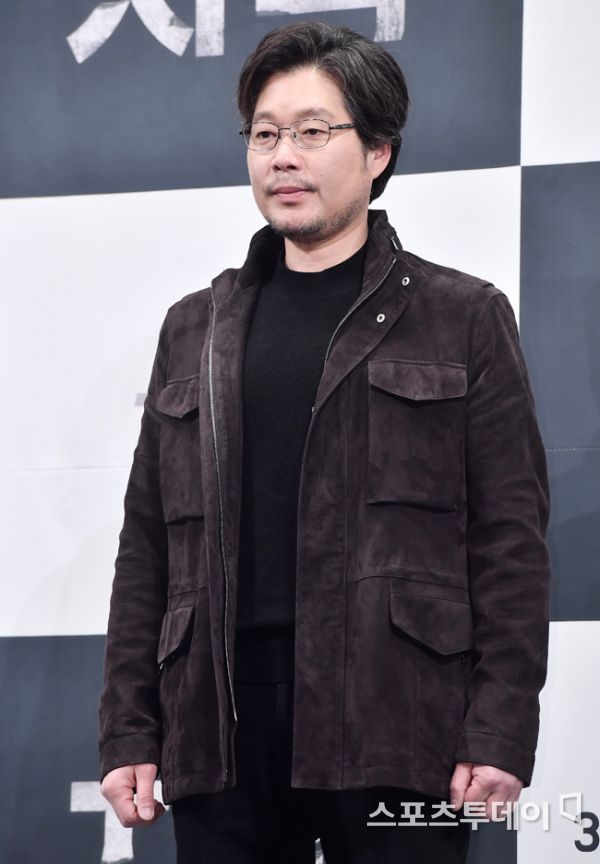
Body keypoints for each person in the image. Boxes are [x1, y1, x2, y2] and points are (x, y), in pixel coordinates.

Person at [99, 21, 551, 864]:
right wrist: (130, 725)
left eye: (313, 132)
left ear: (378, 151)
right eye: (265, 134)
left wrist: (499, 728)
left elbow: (510, 545)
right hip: (221, 732)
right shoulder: (195, 328)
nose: (283, 157)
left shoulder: (463, 317)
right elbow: (148, 547)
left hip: (397, 718)